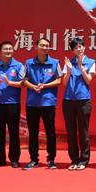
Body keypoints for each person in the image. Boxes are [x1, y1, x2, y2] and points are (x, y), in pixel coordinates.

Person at [0, 40, 25, 168]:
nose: (8, 51)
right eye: (5, 49)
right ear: (0, 52)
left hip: (13, 103)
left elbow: (23, 83)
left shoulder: (19, 66)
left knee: (14, 132)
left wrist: (9, 83)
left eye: (10, 49)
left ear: (13, 51)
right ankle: (0, 159)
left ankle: (14, 159)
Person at [23, 37, 62, 170]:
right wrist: (33, 86)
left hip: (48, 102)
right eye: (42, 45)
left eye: (47, 45)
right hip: (32, 103)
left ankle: (51, 160)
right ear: (36, 47)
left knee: (50, 132)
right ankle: (34, 159)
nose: (45, 48)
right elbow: (24, 80)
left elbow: (59, 80)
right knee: (33, 133)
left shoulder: (55, 63)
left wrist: (45, 86)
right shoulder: (28, 63)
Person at [61, 37, 96, 171]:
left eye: (80, 46)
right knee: (70, 131)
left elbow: (89, 80)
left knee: (83, 131)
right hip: (68, 100)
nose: (78, 49)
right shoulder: (68, 63)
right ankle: (74, 160)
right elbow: (64, 83)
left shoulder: (91, 62)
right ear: (73, 50)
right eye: (75, 48)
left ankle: (84, 160)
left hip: (83, 100)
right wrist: (69, 70)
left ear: (84, 47)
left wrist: (81, 67)